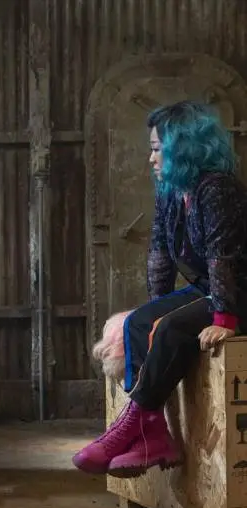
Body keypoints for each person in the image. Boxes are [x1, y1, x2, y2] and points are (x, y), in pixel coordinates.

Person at [73, 100, 247, 478]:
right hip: (211, 289)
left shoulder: (217, 189)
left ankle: (131, 426)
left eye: (157, 149)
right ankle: (151, 431)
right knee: (139, 323)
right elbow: (159, 253)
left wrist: (225, 319)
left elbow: (224, 257)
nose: (151, 158)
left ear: (183, 148)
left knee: (171, 328)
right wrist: (157, 306)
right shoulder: (172, 191)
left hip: (239, 295)